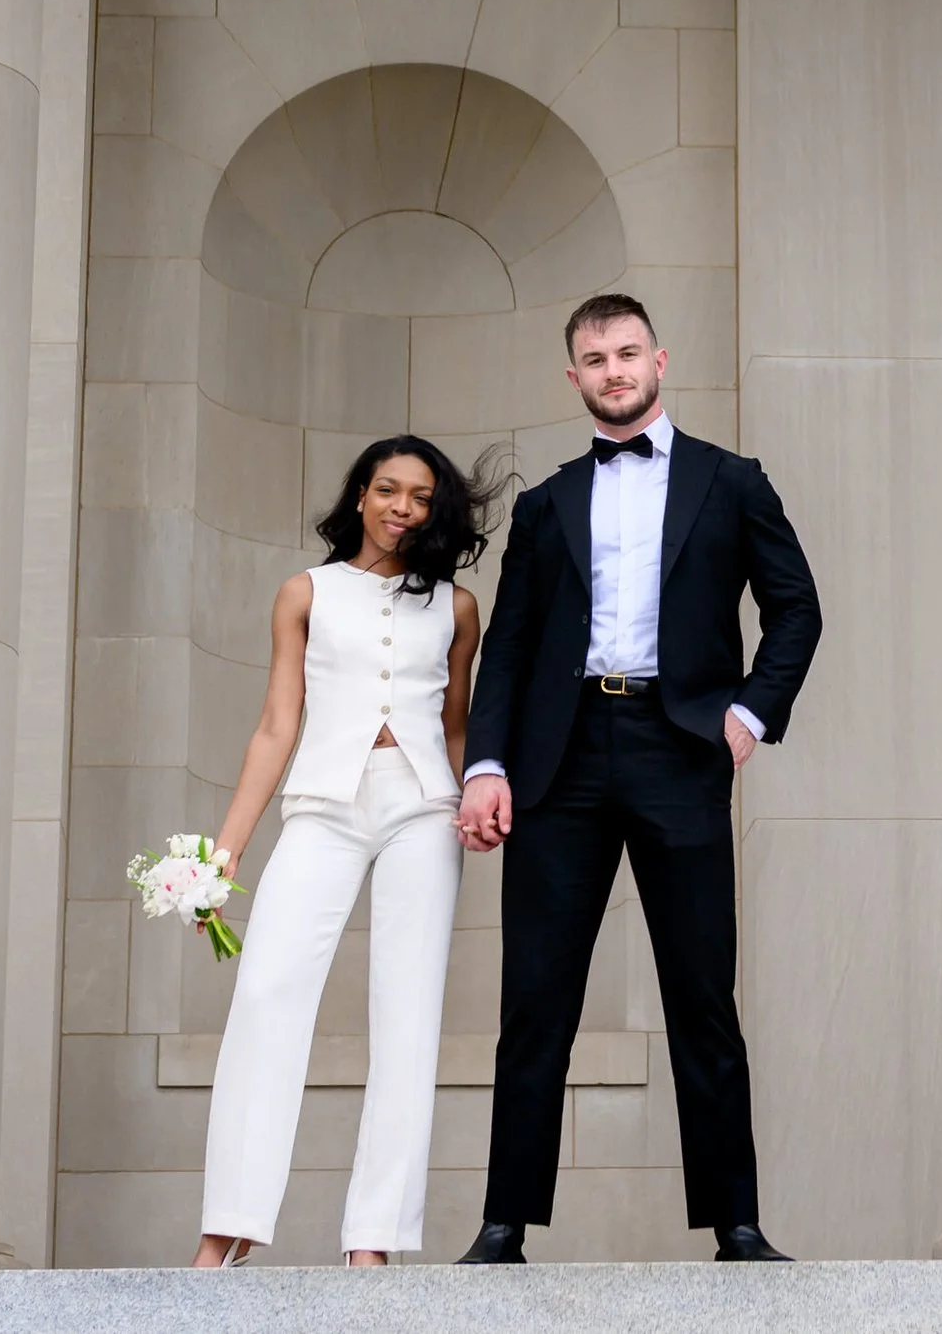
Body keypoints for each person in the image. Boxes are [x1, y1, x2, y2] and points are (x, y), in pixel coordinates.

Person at [452, 292, 821, 1265]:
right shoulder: (543, 505)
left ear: (660, 358)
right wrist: (484, 764)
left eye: (626, 352)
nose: (613, 370)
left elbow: (795, 610)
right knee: (535, 998)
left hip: (678, 745)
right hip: (558, 757)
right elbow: (511, 649)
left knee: (701, 992)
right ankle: (504, 1222)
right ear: (572, 376)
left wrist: (745, 716)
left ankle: (735, 1224)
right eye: (593, 357)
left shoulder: (732, 481)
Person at [192, 436, 501, 1268]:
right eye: (389, 489)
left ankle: (376, 1239)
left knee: (408, 1015)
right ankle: (228, 1225)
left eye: (421, 495)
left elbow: (457, 726)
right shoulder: (306, 592)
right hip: (325, 802)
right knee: (266, 991)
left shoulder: (458, 607)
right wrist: (223, 859)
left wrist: (481, 793)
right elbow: (275, 725)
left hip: (424, 807)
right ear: (360, 494)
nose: (403, 506)